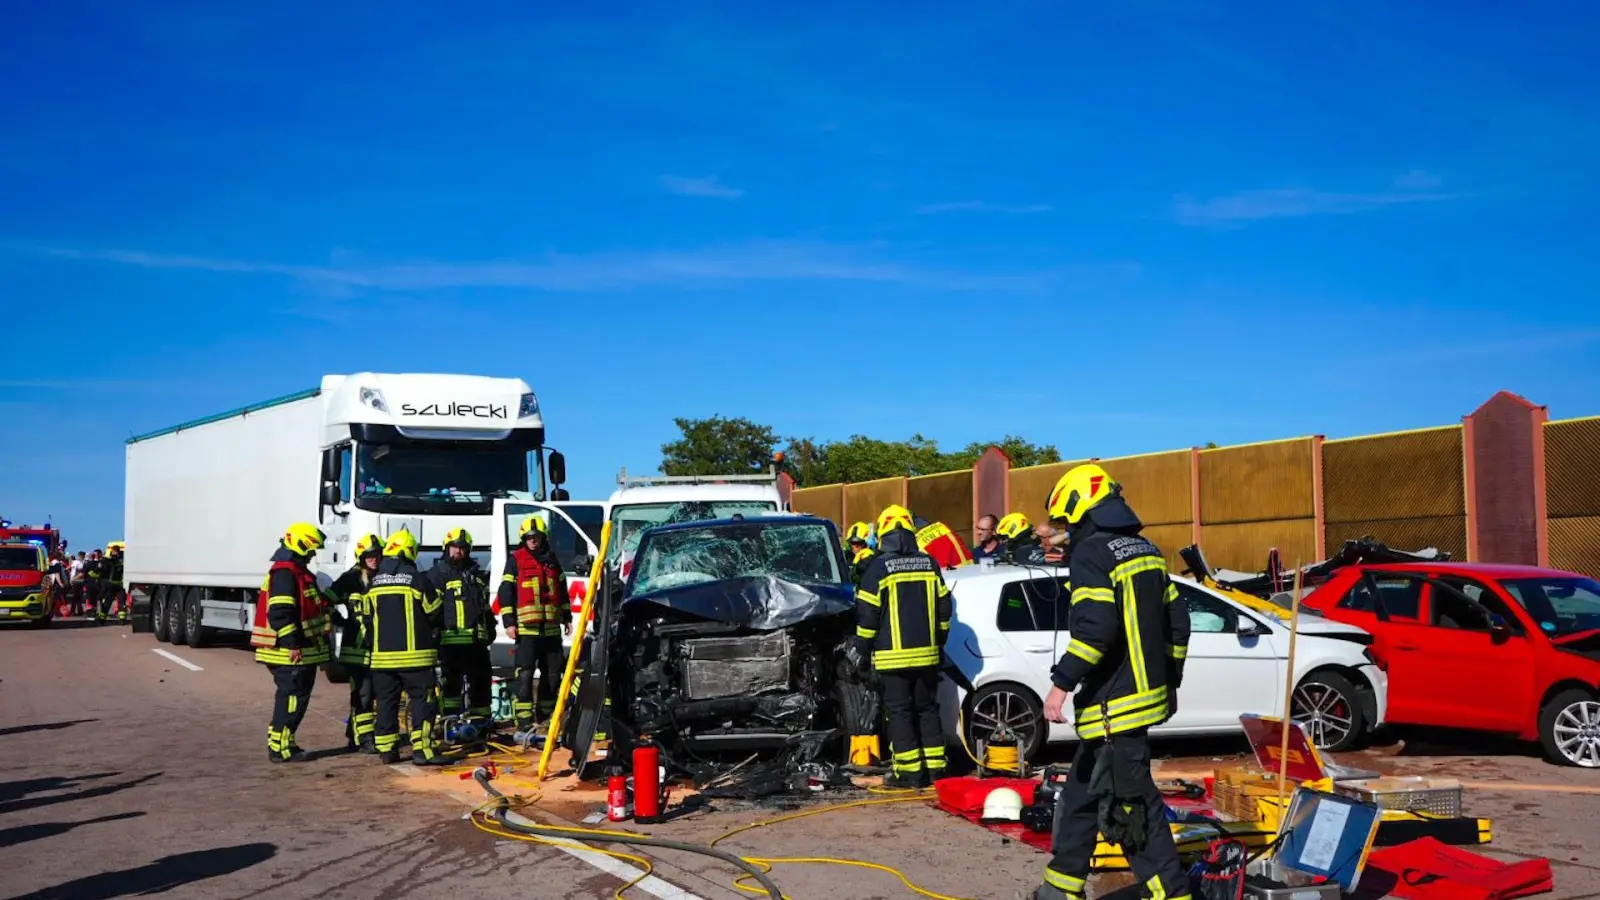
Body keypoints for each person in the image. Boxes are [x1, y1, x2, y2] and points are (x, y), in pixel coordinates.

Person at [1030, 464, 1191, 900]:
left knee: (1133, 811)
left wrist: (1061, 684)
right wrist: (1169, 678)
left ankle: (1173, 893)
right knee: (1080, 798)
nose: (1063, 532)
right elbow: (1178, 620)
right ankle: (1060, 888)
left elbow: (1096, 630)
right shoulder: (1146, 549)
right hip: (1138, 700)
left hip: (1112, 708)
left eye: (1065, 522)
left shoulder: (1092, 554)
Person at [853, 504, 952, 788]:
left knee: (899, 712)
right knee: (926, 709)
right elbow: (945, 605)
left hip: (892, 659)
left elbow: (868, 613)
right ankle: (935, 771)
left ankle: (909, 774)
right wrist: (940, 637)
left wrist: (862, 648)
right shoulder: (929, 563)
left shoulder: (879, 567)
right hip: (928, 655)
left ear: (883, 534)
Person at [250, 523, 332, 764]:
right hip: (286, 651)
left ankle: (283, 741)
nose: (313, 555)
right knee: (292, 697)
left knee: (294, 697)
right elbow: (280, 612)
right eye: (311, 550)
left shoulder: (296, 573)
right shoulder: (286, 574)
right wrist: (292, 644)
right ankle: (280, 748)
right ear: (300, 546)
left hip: (296, 649)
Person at [366, 529, 448, 765]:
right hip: (416, 658)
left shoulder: (374, 582)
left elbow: (366, 616)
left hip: (382, 660)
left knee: (386, 702)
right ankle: (422, 751)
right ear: (409, 551)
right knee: (422, 701)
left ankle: (387, 750)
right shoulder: (417, 579)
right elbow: (434, 612)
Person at [498, 516, 571, 734]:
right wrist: (509, 622)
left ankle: (546, 716)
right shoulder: (515, 560)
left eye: (536, 537)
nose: (533, 541)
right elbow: (506, 591)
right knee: (525, 675)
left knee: (551, 675)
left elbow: (562, 589)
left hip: (550, 630)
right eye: (529, 538)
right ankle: (524, 720)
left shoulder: (552, 560)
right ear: (524, 539)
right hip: (527, 631)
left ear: (543, 538)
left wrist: (566, 616)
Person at [430, 527, 494, 737]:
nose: (458, 552)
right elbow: (432, 609)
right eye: (454, 547)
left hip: (477, 642)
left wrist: (491, 626)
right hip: (451, 642)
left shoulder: (475, 575)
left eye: (462, 548)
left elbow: (484, 606)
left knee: (481, 683)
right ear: (446, 548)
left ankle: (480, 725)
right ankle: (450, 725)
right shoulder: (438, 574)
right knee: (451, 686)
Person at [329, 533, 382, 753]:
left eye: (377, 555)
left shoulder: (382, 578)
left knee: (373, 692)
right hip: (355, 648)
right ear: (361, 556)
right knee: (363, 693)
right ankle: (366, 738)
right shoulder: (348, 579)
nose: (374, 559)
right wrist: (336, 617)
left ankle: (355, 733)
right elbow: (326, 598)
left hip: (376, 647)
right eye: (369, 555)